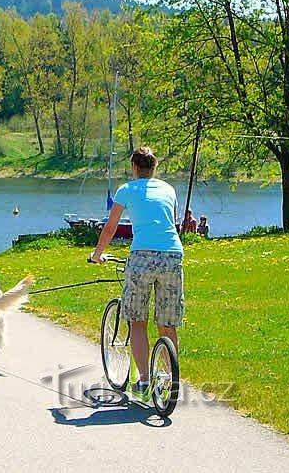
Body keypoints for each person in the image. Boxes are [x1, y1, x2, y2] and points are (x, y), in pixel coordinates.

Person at [90, 146, 184, 397]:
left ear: (134, 167)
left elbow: (111, 228)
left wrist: (97, 255)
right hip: (173, 255)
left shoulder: (127, 190)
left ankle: (143, 381)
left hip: (142, 256)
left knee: (138, 321)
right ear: (154, 168)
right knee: (168, 325)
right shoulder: (169, 189)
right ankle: (169, 379)